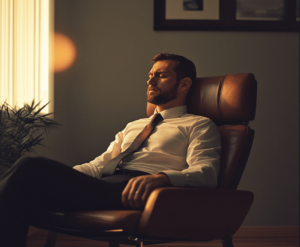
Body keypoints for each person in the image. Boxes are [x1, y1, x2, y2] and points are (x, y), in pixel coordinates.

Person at [0, 53, 221, 247]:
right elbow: (100, 164)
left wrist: (163, 178)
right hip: (105, 185)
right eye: (150, 74)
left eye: (161, 75)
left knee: (29, 166)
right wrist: (64, 177)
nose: (150, 80)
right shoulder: (134, 126)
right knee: (23, 191)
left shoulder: (198, 124)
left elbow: (206, 172)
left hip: (141, 191)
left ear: (184, 84)